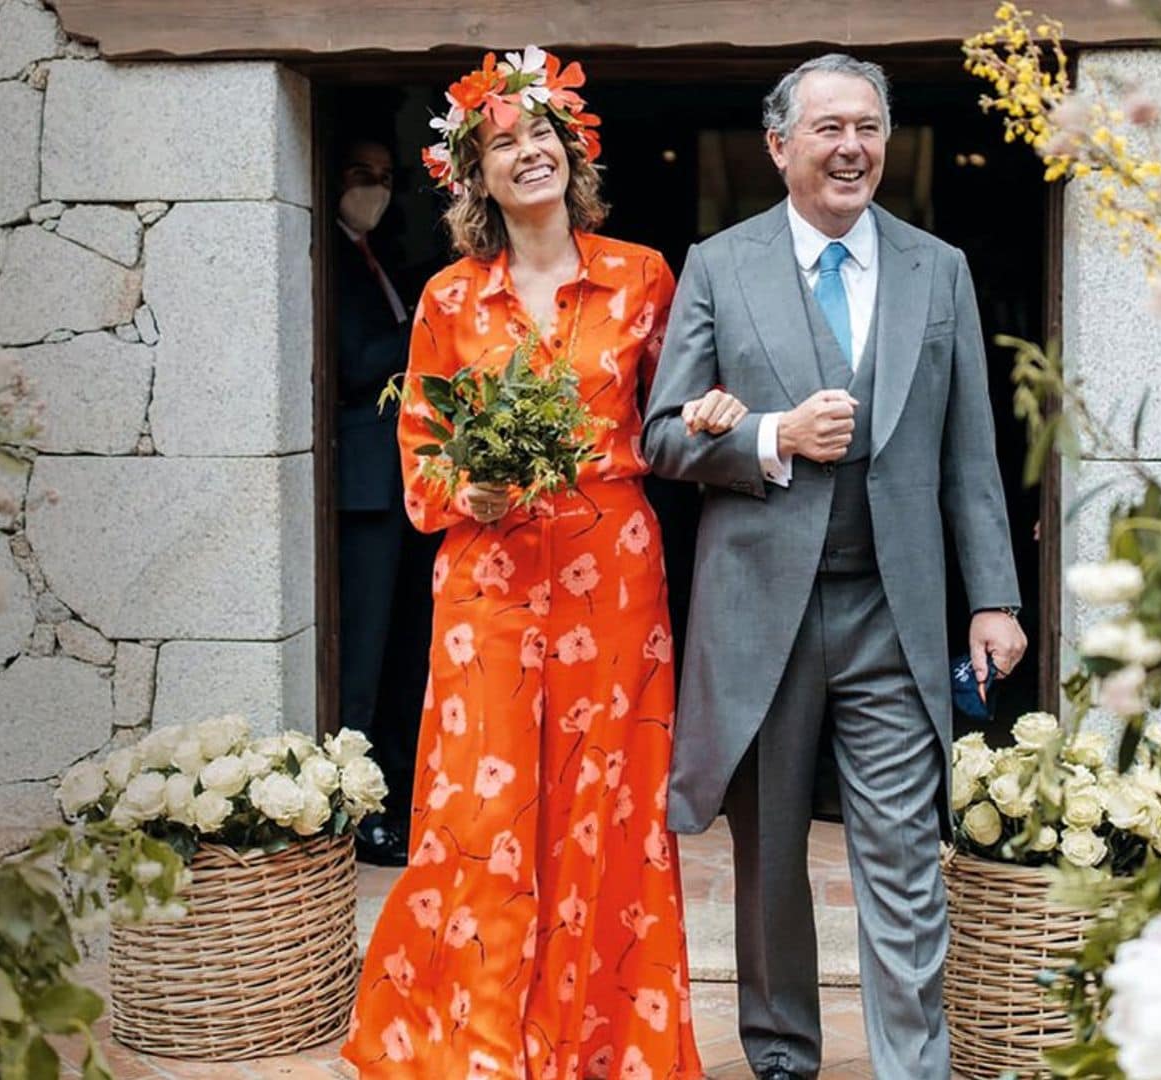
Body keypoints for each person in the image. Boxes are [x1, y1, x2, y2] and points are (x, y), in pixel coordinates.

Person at [344, 46, 737, 1079]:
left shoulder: (645, 276)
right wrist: (460, 492)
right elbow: (420, 443)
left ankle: (603, 1045)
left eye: (541, 134)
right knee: (483, 810)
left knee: (606, 811)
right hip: (489, 578)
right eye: (501, 143)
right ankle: (482, 1045)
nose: (528, 153)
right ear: (472, 176)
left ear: (573, 150)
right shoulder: (446, 299)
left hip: (614, 576)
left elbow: (673, 423)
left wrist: (712, 412)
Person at [641, 54, 1028, 1080]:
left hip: (891, 611)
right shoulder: (718, 265)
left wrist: (992, 597)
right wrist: (772, 437)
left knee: (904, 858)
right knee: (768, 862)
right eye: (828, 129)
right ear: (780, 148)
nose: (851, 146)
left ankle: (913, 1065)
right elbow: (664, 437)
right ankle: (780, 1056)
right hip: (759, 611)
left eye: (868, 126)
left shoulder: (936, 269)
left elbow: (969, 455)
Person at [331, 131, 438, 867]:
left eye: (385, 175)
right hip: (365, 491)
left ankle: (395, 799)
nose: (375, 186)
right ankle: (358, 811)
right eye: (360, 173)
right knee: (364, 661)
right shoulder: (334, 260)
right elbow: (358, 362)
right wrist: (426, 324)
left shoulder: (381, 261)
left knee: (406, 653)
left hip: (405, 487)